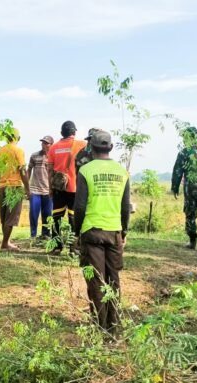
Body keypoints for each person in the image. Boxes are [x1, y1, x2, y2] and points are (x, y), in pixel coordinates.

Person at [73, 129, 131, 333]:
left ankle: (99, 326)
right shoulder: (122, 172)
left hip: (92, 232)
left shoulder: (86, 170)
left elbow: (79, 207)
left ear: (91, 147)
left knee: (96, 280)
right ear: (111, 148)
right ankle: (113, 325)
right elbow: (125, 207)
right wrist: (123, 232)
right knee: (113, 279)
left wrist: (76, 231)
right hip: (114, 232)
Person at [47, 121, 87, 254]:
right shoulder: (82, 145)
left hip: (59, 187)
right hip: (75, 188)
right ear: (74, 132)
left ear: (61, 133)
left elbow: (50, 170)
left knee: (57, 217)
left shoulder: (53, 148)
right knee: (73, 218)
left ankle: (56, 247)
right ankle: (73, 248)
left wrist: (50, 187)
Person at [0, 128, 30, 251]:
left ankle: (6, 242)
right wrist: (27, 189)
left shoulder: (0, 151)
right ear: (18, 138)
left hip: (2, 186)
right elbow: (22, 170)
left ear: (6, 137)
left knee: (5, 216)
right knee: (11, 217)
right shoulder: (18, 151)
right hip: (14, 186)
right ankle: (5, 244)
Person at [27, 135, 54, 239]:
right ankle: (33, 235)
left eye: (46, 143)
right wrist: (27, 186)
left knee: (47, 215)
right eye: (43, 142)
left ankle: (45, 234)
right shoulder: (34, 155)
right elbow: (29, 170)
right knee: (33, 214)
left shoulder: (53, 157)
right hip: (35, 190)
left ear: (51, 145)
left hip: (48, 191)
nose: (44, 145)